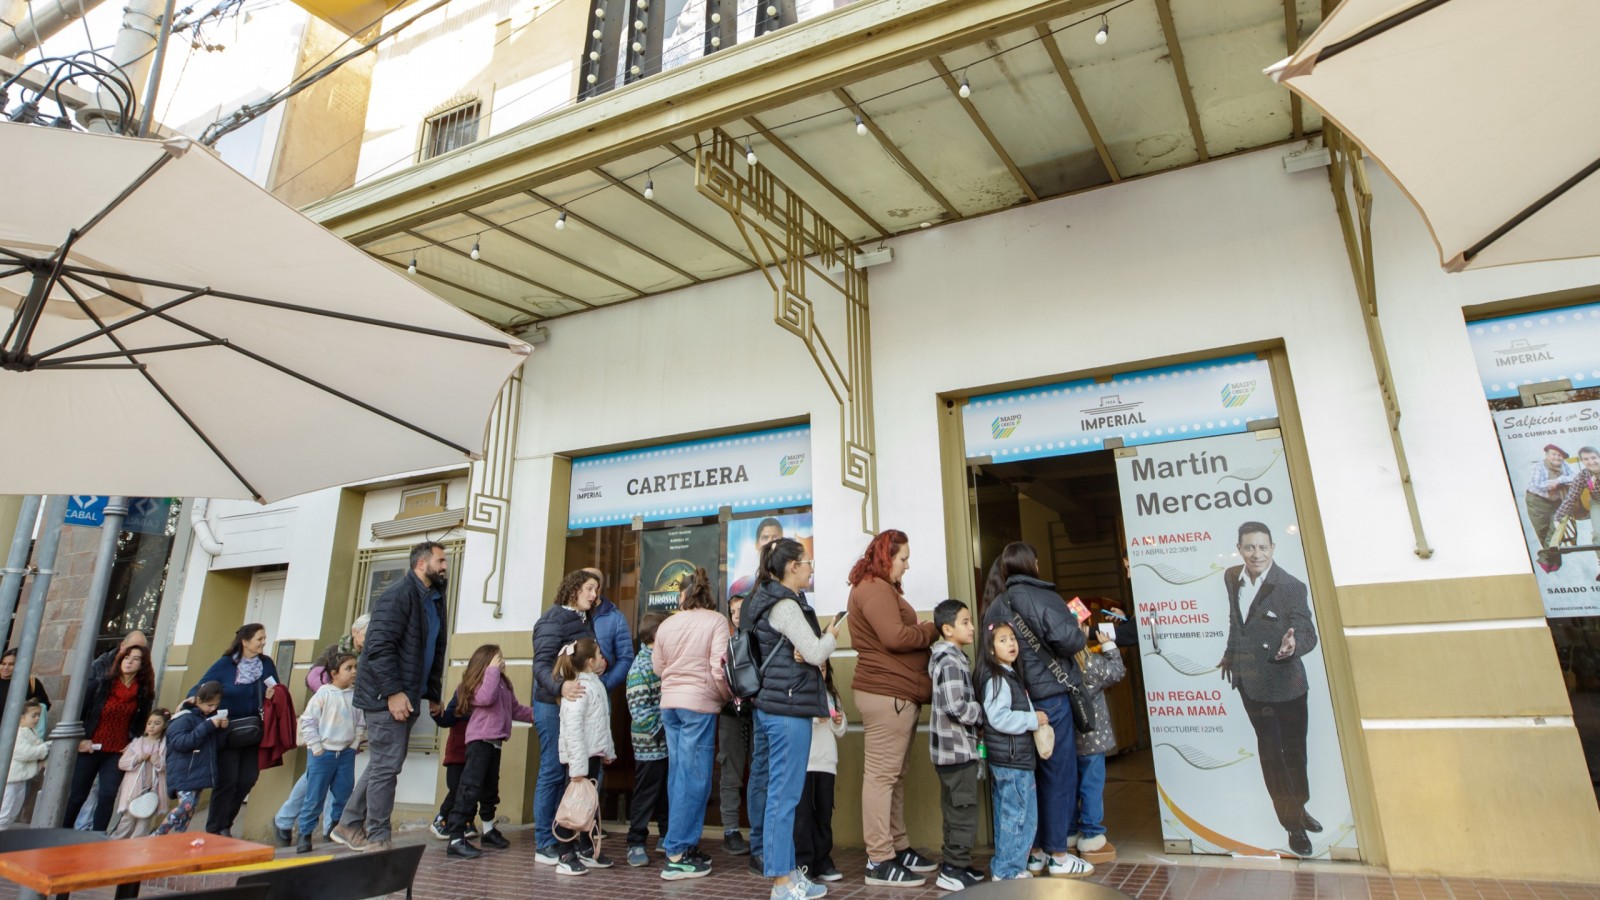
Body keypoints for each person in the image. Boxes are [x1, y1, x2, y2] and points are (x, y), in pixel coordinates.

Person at [982, 542, 1092, 878]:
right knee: (1058, 775)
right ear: (1034, 564)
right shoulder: (1045, 598)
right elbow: (1070, 641)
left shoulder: (996, 605)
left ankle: (1034, 852)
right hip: (1050, 701)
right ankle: (1058, 854)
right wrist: (1080, 632)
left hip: (1018, 701)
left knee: (1028, 780)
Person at [333, 541, 450, 854]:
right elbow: (378, 648)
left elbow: (434, 650)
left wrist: (433, 694)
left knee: (384, 763)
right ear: (420, 564)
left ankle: (348, 824)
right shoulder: (396, 595)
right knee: (387, 766)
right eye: (440, 560)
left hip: (408, 695)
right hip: (385, 698)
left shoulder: (435, 599)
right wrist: (393, 693)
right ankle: (378, 838)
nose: (445, 566)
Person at [744, 536, 839, 900]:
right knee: (784, 798)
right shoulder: (784, 604)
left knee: (779, 796)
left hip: (774, 706)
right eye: (807, 563)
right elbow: (815, 652)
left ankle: (787, 875)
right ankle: (782, 884)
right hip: (787, 708)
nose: (811, 568)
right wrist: (830, 635)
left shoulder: (768, 599)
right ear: (791, 567)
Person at [1218, 521, 1320, 857]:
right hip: (1251, 683)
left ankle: (1299, 806)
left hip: (1286, 684)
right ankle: (1291, 823)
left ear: (1273, 548)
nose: (1256, 554)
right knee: (1271, 754)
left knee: (1294, 753)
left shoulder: (1290, 586)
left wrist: (1294, 646)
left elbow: (1305, 629)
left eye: (1263, 547)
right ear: (1240, 549)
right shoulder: (1232, 577)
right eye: (1249, 547)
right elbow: (1238, 621)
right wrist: (1230, 655)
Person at [847, 528, 938, 886]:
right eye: (903, 559)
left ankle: (897, 847)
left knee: (894, 777)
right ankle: (879, 859)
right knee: (882, 778)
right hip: (887, 695)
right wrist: (930, 630)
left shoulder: (879, 588)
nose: (907, 566)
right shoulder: (872, 588)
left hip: (896, 695)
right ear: (887, 557)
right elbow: (895, 637)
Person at [654, 567, 733, 880]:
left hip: (669, 704)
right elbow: (719, 669)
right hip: (698, 706)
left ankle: (680, 844)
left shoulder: (667, 624)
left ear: (682, 595)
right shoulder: (716, 621)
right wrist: (725, 698)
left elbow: (659, 667)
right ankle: (678, 851)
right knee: (696, 778)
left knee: (678, 776)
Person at [272, 615, 370, 846]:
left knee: (339, 784)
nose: (370, 638)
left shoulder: (369, 655)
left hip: (349, 727)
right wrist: (332, 697)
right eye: (367, 633)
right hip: (325, 728)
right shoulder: (334, 650)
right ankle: (285, 820)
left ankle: (331, 828)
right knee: (313, 781)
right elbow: (312, 677)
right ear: (355, 632)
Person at [530, 569, 602, 865]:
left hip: (572, 705)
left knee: (571, 770)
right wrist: (561, 687)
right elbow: (541, 665)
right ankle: (545, 842)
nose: (594, 595)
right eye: (589, 589)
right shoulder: (552, 620)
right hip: (551, 705)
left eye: (595, 590)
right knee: (552, 769)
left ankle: (566, 838)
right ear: (573, 589)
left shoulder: (583, 620)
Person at [189, 623, 279, 836]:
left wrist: (273, 694)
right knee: (227, 781)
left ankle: (226, 824)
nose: (264, 642)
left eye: (264, 638)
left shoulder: (266, 664)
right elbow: (201, 687)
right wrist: (190, 701)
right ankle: (215, 829)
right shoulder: (225, 664)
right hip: (227, 731)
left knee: (247, 779)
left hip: (254, 730)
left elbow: (276, 687)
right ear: (245, 641)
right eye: (259, 638)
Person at [443, 644, 528, 859]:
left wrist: (542, 714)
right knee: (470, 787)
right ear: (486, 663)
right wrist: (491, 671)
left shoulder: (502, 683)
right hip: (479, 740)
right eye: (497, 659)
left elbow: (515, 709)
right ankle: (455, 837)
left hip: (495, 742)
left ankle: (488, 829)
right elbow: (486, 698)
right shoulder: (475, 684)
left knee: (490, 789)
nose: (502, 662)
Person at [977, 622, 1043, 881]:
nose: (1011, 644)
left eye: (1012, 638)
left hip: (1012, 759)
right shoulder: (998, 679)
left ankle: (1005, 867)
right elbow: (998, 718)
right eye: (1002, 640)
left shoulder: (1007, 675)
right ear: (991, 649)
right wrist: (1032, 719)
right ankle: (1008, 871)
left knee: (1011, 815)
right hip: (1013, 761)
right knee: (1017, 817)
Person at [927, 599, 986, 892]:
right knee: (963, 809)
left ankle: (956, 863)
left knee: (955, 809)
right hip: (957, 751)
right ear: (947, 629)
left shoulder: (951, 659)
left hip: (950, 752)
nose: (972, 627)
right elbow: (956, 707)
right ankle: (953, 868)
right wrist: (981, 711)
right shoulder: (950, 662)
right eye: (965, 622)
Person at [64, 642, 154, 831]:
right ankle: (61, 833)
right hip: (90, 748)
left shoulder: (143, 693)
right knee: (77, 796)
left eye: (135, 659)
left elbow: (140, 723)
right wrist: (81, 739)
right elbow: (79, 713)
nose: (129, 662)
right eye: (126, 658)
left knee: (107, 795)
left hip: (117, 752)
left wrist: (132, 743)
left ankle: (98, 838)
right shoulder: (101, 684)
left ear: (142, 665)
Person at [556, 638, 615, 876]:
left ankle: (586, 848)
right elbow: (573, 728)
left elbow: (602, 723)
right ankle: (565, 852)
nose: (603, 659)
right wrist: (577, 767)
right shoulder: (578, 687)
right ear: (591, 662)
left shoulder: (595, 684)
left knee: (589, 804)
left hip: (592, 754)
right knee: (573, 805)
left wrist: (607, 751)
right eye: (600, 655)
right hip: (579, 759)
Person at [296, 652, 364, 854]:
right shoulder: (323, 694)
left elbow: (360, 722)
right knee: (314, 796)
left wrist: (353, 745)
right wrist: (316, 747)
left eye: (355, 668)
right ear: (334, 673)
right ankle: (305, 833)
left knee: (343, 794)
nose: (354, 672)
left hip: (345, 754)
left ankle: (335, 829)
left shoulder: (355, 695)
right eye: (348, 668)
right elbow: (308, 722)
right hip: (323, 754)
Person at [1071, 627, 1125, 863]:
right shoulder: (1090, 663)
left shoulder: (1059, 666)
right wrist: (1108, 645)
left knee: (1070, 789)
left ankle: (1069, 833)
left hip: (1068, 740)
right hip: (1094, 740)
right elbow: (1117, 672)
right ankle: (1092, 834)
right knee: (1091, 788)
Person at [626, 612, 670, 867]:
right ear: (657, 635)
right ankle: (635, 841)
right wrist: (660, 730)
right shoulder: (641, 666)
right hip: (650, 746)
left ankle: (665, 835)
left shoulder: (661, 660)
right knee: (646, 794)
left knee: (666, 792)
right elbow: (639, 710)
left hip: (665, 745)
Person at [795, 662, 846, 883]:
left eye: (824, 668)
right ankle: (803, 863)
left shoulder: (831, 695)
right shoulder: (799, 693)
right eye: (816, 667)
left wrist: (838, 721)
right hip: (805, 763)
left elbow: (840, 731)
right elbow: (798, 723)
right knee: (803, 816)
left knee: (824, 813)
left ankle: (823, 860)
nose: (820, 672)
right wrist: (817, 718)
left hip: (826, 762)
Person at [154, 682, 228, 835]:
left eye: (216, 705)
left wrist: (222, 729)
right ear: (199, 700)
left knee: (190, 809)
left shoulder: (206, 718)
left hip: (197, 771)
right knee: (186, 805)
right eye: (210, 705)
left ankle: (180, 837)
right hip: (183, 770)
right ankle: (157, 834)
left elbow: (216, 745)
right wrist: (208, 726)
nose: (213, 709)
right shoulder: (183, 718)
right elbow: (181, 743)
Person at [717, 594, 754, 857]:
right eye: (733, 611)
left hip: (756, 712)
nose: (737, 614)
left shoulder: (757, 639)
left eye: (741, 609)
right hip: (730, 713)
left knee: (759, 772)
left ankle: (759, 829)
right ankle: (730, 829)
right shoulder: (725, 642)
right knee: (730, 772)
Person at [107, 709, 170, 838]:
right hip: (134, 790)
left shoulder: (165, 746)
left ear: (164, 726)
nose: (152, 726)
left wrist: (158, 761)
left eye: (157, 723)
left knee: (144, 822)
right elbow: (122, 763)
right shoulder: (136, 744)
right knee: (126, 820)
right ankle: (115, 845)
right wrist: (138, 758)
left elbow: (168, 765)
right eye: (149, 723)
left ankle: (136, 850)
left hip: (152, 789)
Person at [428, 687, 475, 841]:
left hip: (474, 754)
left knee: (471, 789)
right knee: (456, 789)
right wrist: (436, 712)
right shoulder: (462, 693)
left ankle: (466, 821)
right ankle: (441, 819)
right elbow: (447, 719)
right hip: (457, 754)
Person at [585, 568, 635, 698]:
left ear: (597, 587)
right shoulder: (569, 614)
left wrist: (604, 683)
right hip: (571, 693)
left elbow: (625, 658)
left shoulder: (616, 618)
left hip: (600, 695)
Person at [1550, 446, 1600, 576]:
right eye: (1586, 459)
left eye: (1594, 458)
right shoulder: (1582, 476)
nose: (1591, 462)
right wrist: (1558, 517)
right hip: (1597, 503)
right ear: (1582, 461)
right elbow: (1571, 497)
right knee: (1598, 534)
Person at [2, 701, 49, 827]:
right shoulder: (18, 732)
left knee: (13, 812)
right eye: (33, 715)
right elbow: (25, 753)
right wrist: (45, 748)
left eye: (38, 715)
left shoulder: (31, 731)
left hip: (21, 778)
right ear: (21, 717)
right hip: (11, 780)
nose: (37, 718)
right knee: (4, 814)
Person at [1527, 443, 1579, 548]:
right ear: (1547, 455)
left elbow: (1575, 476)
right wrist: (1550, 483)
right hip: (1538, 500)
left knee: (1556, 526)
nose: (1557, 457)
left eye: (1560, 455)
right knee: (1542, 530)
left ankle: (1549, 556)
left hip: (1556, 500)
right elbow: (1535, 484)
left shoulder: (1564, 464)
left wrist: (1559, 480)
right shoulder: (1538, 466)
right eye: (1554, 454)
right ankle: (1551, 558)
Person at [729, 518, 785, 602]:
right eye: (765, 538)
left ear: (783, 542)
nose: (769, 542)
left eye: (775, 537)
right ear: (756, 545)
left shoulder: (794, 580)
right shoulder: (739, 587)